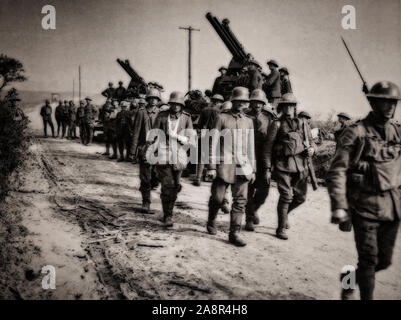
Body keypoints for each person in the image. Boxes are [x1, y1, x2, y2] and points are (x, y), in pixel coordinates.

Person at [326, 81, 401, 300]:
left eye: (393, 103)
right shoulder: (355, 132)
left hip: (392, 207)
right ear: (372, 102)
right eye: (384, 102)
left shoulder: (396, 131)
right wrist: (339, 206)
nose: (390, 107)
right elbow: (337, 171)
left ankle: (348, 278)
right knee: (368, 260)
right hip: (364, 205)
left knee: (383, 261)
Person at [206, 87, 256, 247]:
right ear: (234, 101)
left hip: (243, 166)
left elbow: (250, 147)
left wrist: (253, 168)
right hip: (223, 165)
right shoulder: (221, 118)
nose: (242, 104)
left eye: (244, 101)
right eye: (239, 101)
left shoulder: (248, 121)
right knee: (217, 198)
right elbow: (212, 143)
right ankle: (212, 219)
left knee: (241, 201)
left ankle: (234, 233)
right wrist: (211, 166)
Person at [264, 93, 315, 240]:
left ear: (295, 107)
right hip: (283, 165)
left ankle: (284, 214)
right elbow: (268, 148)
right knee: (286, 196)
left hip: (301, 166)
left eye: (291, 105)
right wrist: (268, 168)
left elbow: (311, 142)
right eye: (285, 105)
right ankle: (280, 229)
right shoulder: (277, 124)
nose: (289, 108)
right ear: (281, 106)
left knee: (300, 198)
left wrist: (312, 149)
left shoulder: (303, 124)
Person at [152, 91, 195, 227]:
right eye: (173, 104)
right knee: (167, 186)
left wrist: (176, 136)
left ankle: (170, 204)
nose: (175, 106)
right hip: (163, 154)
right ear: (170, 104)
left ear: (181, 105)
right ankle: (167, 215)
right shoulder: (162, 116)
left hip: (179, 155)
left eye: (178, 104)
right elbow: (153, 134)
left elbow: (191, 138)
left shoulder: (186, 118)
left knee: (175, 185)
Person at [244, 89, 277, 231]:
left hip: (263, 157)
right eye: (255, 102)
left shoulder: (269, 118)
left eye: (260, 103)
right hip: (247, 157)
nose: (257, 105)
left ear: (264, 104)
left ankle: (253, 209)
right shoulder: (244, 115)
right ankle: (249, 219)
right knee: (248, 189)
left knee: (264, 189)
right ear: (251, 103)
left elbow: (272, 141)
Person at [131, 88, 161, 213]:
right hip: (144, 148)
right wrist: (133, 151)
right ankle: (146, 203)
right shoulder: (141, 112)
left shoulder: (161, 113)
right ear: (147, 99)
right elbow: (136, 132)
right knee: (145, 177)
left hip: (158, 149)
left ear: (158, 100)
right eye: (151, 98)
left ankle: (147, 188)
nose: (153, 100)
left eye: (155, 98)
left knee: (156, 177)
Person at [194, 94, 225, 186]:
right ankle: (210, 177)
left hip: (204, 134)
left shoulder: (204, 110)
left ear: (212, 100)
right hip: (215, 135)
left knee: (202, 157)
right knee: (213, 156)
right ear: (219, 102)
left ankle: (198, 178)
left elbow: (199, 124)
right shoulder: (220, 112)